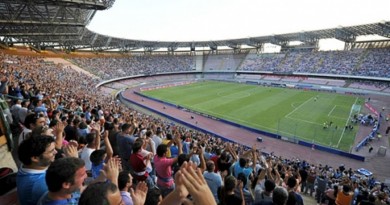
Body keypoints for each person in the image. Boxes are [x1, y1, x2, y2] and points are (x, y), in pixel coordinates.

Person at [16, 135, 57, 205]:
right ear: (35, 158)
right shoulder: (43, 185)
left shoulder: (25, 166)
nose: (56, 152)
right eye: (51, 151)